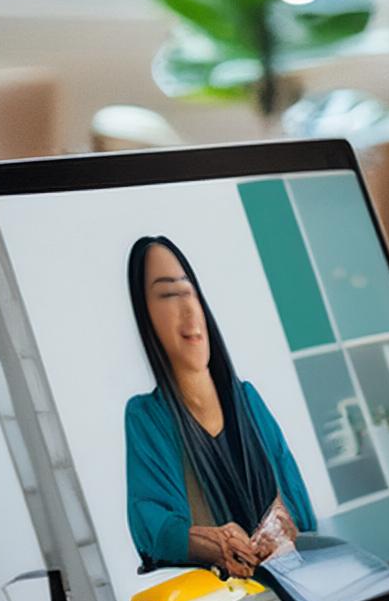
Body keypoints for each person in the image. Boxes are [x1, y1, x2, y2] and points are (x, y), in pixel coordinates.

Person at [123, 235, 317, 576]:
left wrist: (281, 528)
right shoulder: (147, 417)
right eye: (169, 295)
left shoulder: (248, 401)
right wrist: (212, 543)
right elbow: (153, 530)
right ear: (145, 317)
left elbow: (299, 505)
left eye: (192, 292)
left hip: (295, 583)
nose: (189, 309)